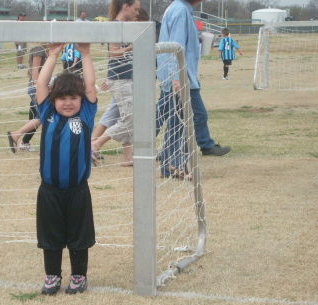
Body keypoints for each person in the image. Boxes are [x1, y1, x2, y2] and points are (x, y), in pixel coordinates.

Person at [35, 42, 97, 295]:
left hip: (77, 191)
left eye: (73, 98)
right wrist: (52, 55)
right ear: (53, 100)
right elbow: (41, 85)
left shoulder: (86, 116)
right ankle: (52, 276)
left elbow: (91, 86)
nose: (68, 103)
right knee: (50, 236)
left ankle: (79, 277)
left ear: (82, 100)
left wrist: (86, 54)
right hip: (49, 191)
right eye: (62, 98)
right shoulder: (47, 112)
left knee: (78, 236)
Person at [156, 0, 230, 178]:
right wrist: (176, 78)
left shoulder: (178, 9)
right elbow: (176, 46)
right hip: (181, 77)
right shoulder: (180, 11)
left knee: (175, 119)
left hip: (178, 75)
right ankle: (173, 162)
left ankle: (170, 164)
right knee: (192, 117)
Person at [91, 0, 140, 167]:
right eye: (135, 9)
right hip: (120, 79)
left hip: (126, 78)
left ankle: (127, 157)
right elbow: (113, 53)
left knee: (123, 116)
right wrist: (129, 48)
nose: (137, 13)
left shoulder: (125, 25)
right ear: (125, 6)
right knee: (129, 120)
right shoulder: (116, 25)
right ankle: (94, 145)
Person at [7, 44, 48, 153]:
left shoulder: (41, 50)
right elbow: (35, 71)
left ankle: (25, 143)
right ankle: (16, 135)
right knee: (43, 117)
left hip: (37, 87)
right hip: (37, 88)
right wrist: (38, 89)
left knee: (35, 117)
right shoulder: (39, 50)